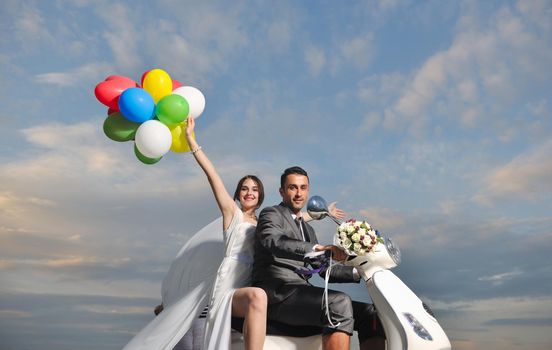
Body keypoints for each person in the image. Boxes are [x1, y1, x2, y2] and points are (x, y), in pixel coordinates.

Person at [252, 166, 386, 350]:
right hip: (278, 294)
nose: (299, 193)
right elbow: (274, 241)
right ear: (282, 191)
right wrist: (318, 248)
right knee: (338, 302)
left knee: (371, 314)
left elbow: (322, 268)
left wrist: (359, 271)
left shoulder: (308, 230)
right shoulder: (271, 214)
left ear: (308, 190)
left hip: (301, 293)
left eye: (303, 187)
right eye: (293, 187)